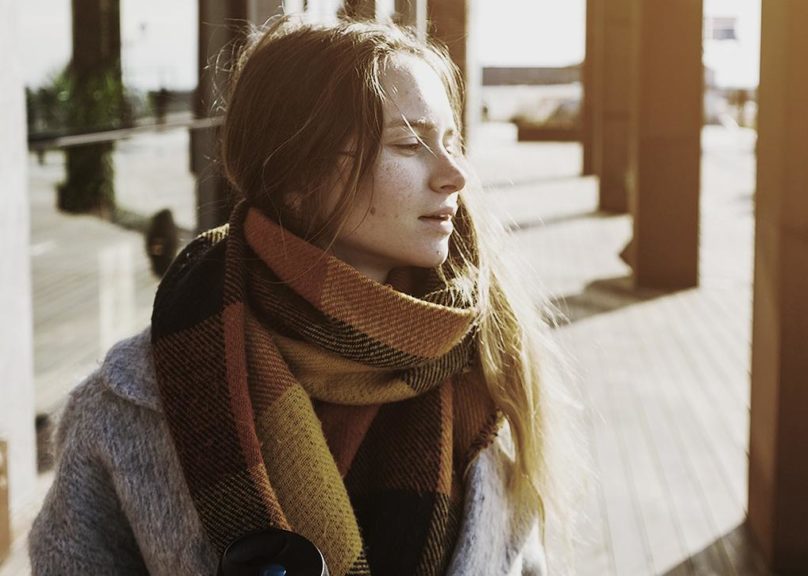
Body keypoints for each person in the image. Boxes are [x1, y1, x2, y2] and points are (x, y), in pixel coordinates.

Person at [30, 16, 577, 576]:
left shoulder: (484, 370)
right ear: (296, 176)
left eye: (451, 142)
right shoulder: (130, 403)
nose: (454, 174)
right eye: (409, 144)